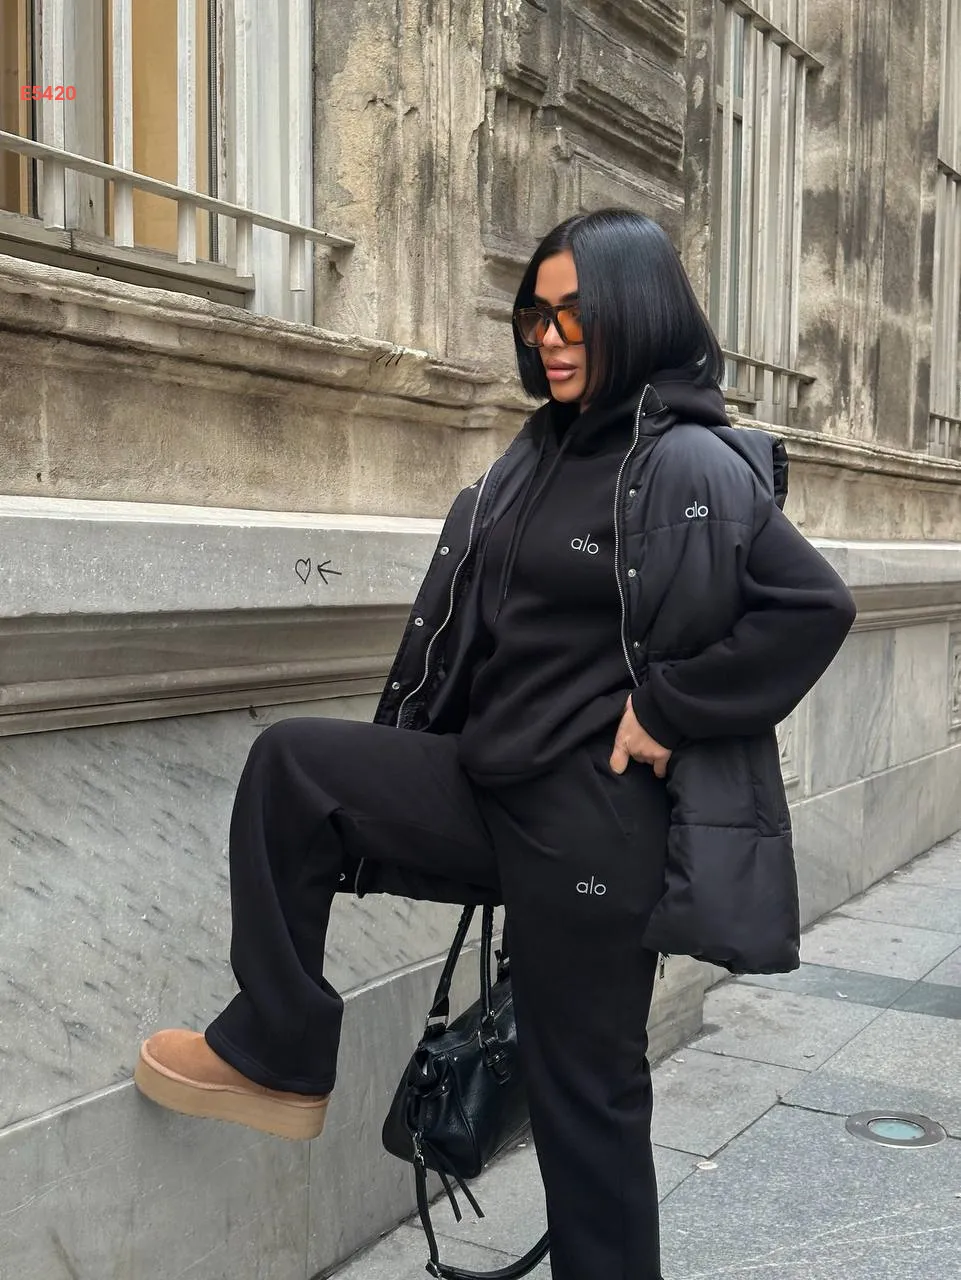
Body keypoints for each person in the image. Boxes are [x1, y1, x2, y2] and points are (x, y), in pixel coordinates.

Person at [135, 208, 856, 1280]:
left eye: (575, 315)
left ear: (637, 312)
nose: (550, 338)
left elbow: (813, 606)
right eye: (535, 315)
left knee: (585, 1108)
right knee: (296, 767)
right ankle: (278, 1046)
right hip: (486, 785)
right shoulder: (538, 450)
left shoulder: (689, 462)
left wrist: (670, 710)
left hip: (593, 828)